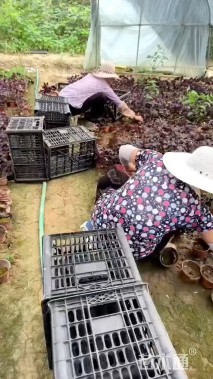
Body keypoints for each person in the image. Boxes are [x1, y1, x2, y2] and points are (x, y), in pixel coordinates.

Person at [81, 145, 213, 260]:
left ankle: (92, 228)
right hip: (129, 252)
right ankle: (150, 254)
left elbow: (124, 150)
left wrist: (129, 168)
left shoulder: (155, 159)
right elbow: (211, 242)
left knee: (116, 182)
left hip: (100, 220)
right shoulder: (195, 209)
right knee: (172, 227)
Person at [59, 62, 143, 122]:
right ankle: (94, 118)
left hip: (59, 102)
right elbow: (119, 103)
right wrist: (134, 116)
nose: (112, 80)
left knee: (97, 95)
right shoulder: (103, 86)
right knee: (101, 96)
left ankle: (90, 114)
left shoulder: (90, 76)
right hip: (70, 109)